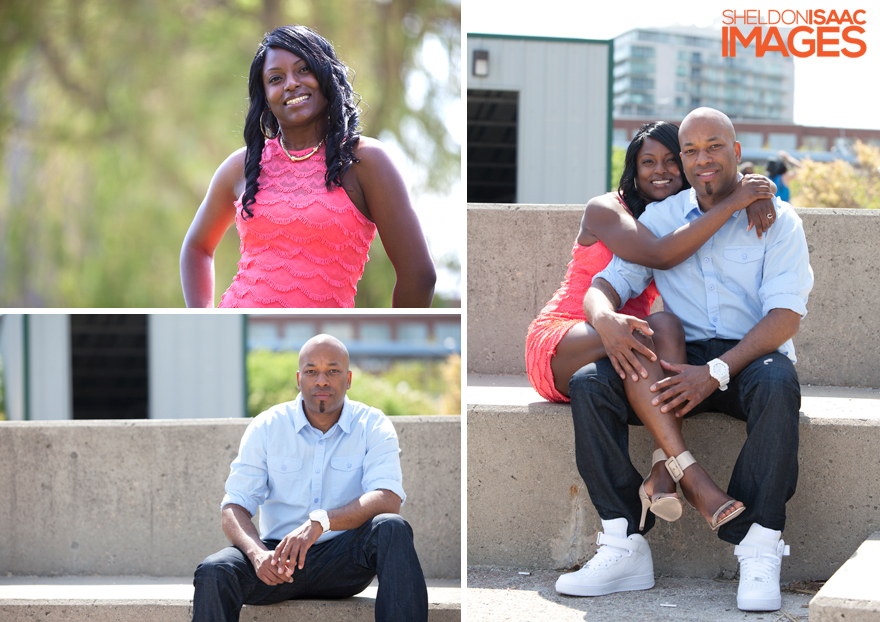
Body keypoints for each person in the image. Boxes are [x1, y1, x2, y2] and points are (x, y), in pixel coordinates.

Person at [557, 108, 813, 613]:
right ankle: (624, 540)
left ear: (737, 152)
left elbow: (784, 318)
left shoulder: (778, 220)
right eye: (691, 151)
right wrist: (604, 318)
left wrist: (717, 372)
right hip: (677, 361)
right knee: (590, 384)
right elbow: (605, 285)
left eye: (714, 147)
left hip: (749, 358)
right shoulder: (663, 218)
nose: (702, 160)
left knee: (778, 384)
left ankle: (759, 545)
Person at [526, 121, 776, 531]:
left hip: (627, 337)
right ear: (633, 168)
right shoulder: (606, 209)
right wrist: (737, 199)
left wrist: (752, 190)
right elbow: (659, 255)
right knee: (657, 328)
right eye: (648, 162)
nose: (660, 170)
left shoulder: (675, 215)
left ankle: (663, 471)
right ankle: (690, 475)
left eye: (671, 161)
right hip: (568, 334)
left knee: (666, 325)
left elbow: (719, 174)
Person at [180, 25, 436, 308]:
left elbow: (419, 276)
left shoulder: (364, 161)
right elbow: (197, 248)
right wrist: (202, 322)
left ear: (327, 75)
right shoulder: (243, 165)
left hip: (319, 346)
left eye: (304, 70)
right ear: (265, 96)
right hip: (235, 337)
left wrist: (393, 349)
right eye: (276, 78)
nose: (291, 83)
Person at [192, 334, 428, 622]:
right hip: (277, 561)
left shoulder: (373, 424)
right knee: (214, 570)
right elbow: (234, 506)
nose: (321, 381)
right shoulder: (267, 426)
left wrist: (321, 522)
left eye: (332, 370)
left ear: (349, 378)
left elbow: (388, 497)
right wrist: (257, 555)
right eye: (311, 371)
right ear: (299, 378)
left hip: (343, 562)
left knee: (392, 527)